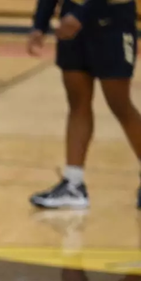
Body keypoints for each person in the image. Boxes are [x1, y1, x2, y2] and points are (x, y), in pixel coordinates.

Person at [27, 0, 141, 209]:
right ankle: (73, 184)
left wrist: (81, 13)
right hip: (73, 22)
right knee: (77, 101)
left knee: (120, 104)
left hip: (112, 20)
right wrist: (39, 24)